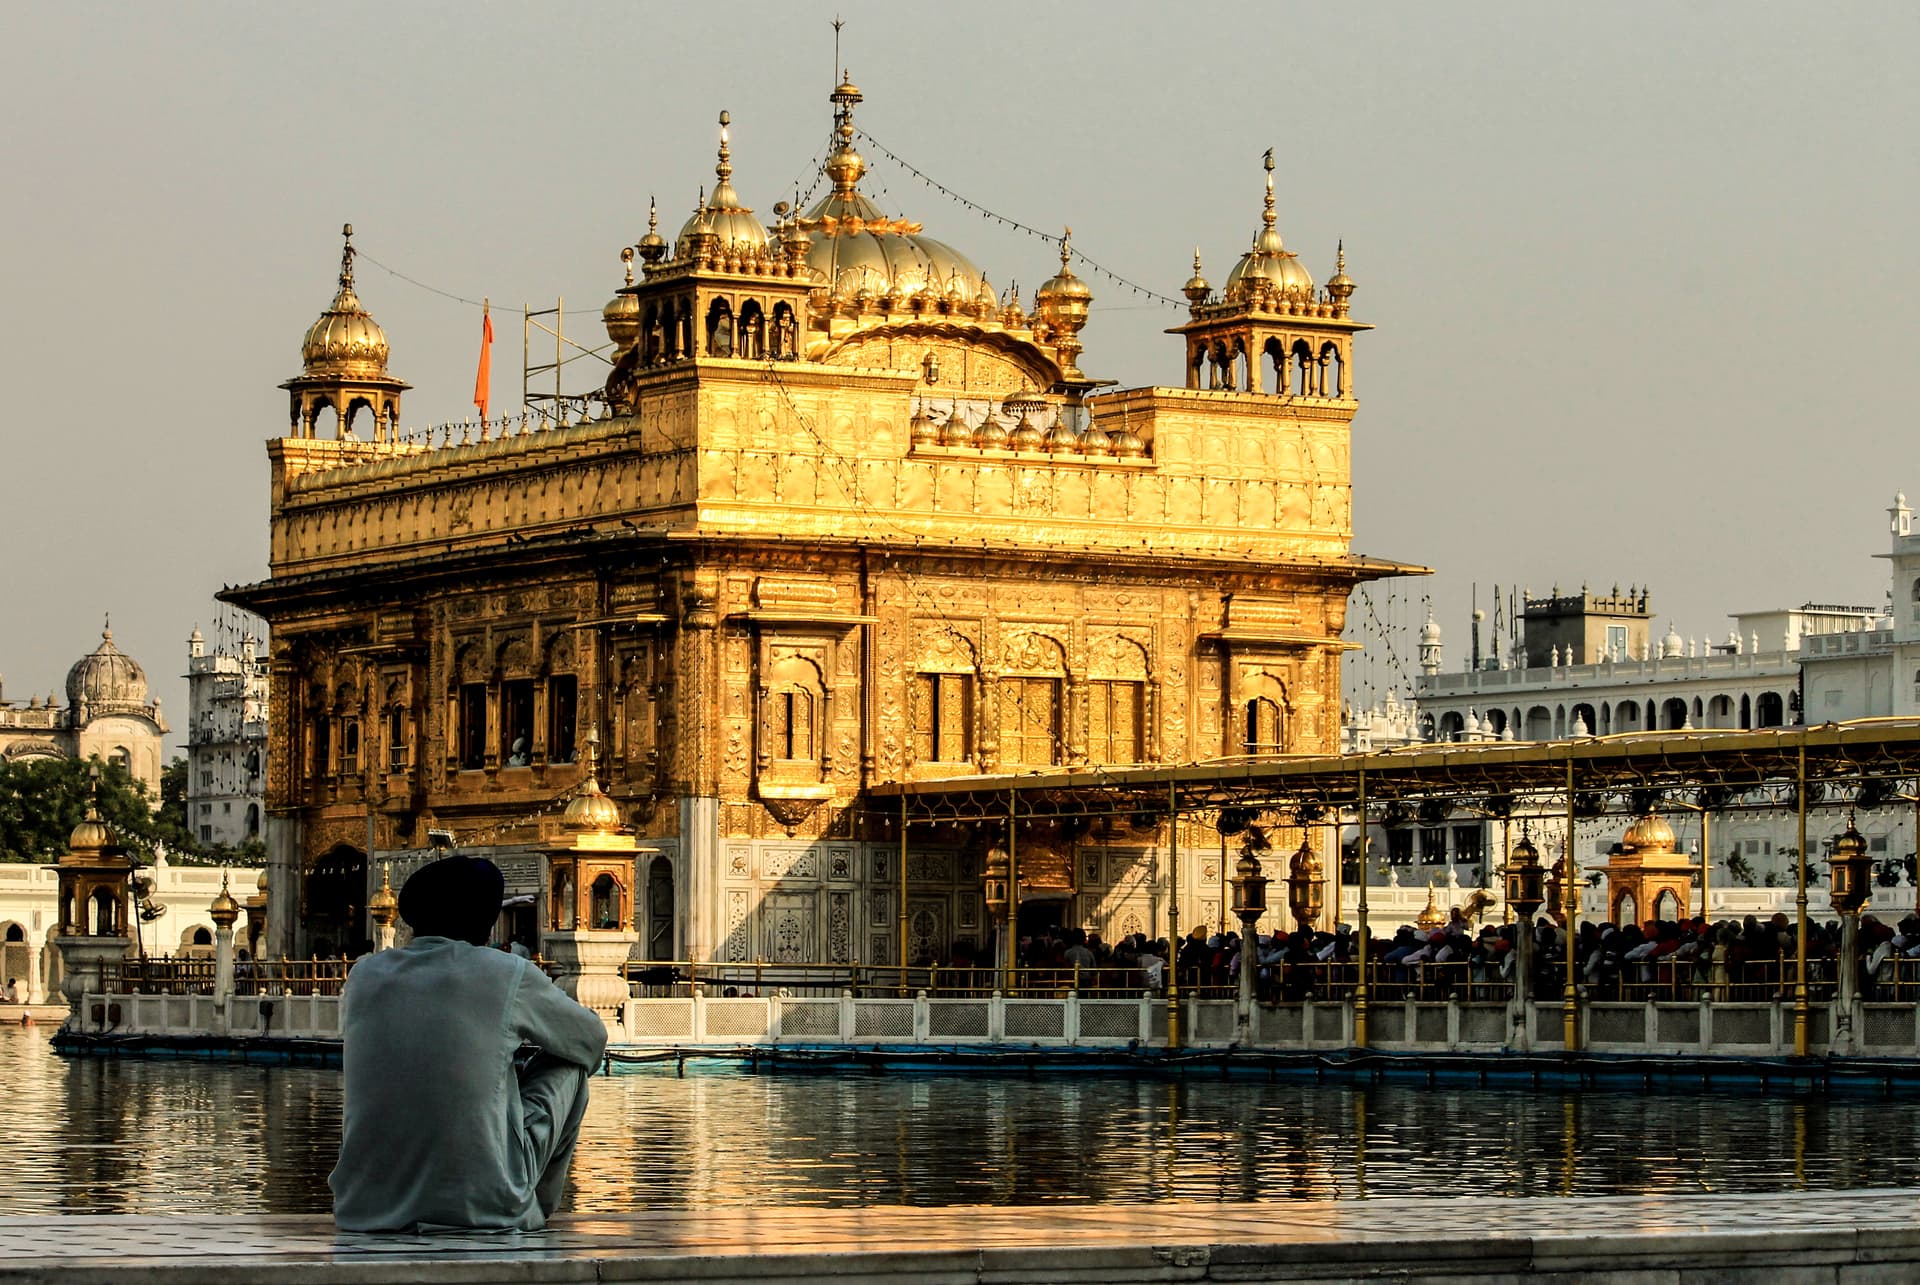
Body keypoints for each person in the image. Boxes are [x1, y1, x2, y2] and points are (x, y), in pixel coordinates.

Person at [330, 855, 607, 1232]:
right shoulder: (506, 972)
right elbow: (591, 1041)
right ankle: (526, 1206)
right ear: (486, 921)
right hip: (481, 1208)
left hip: (362, 1209)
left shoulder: (364, 974)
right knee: (569, 1061)